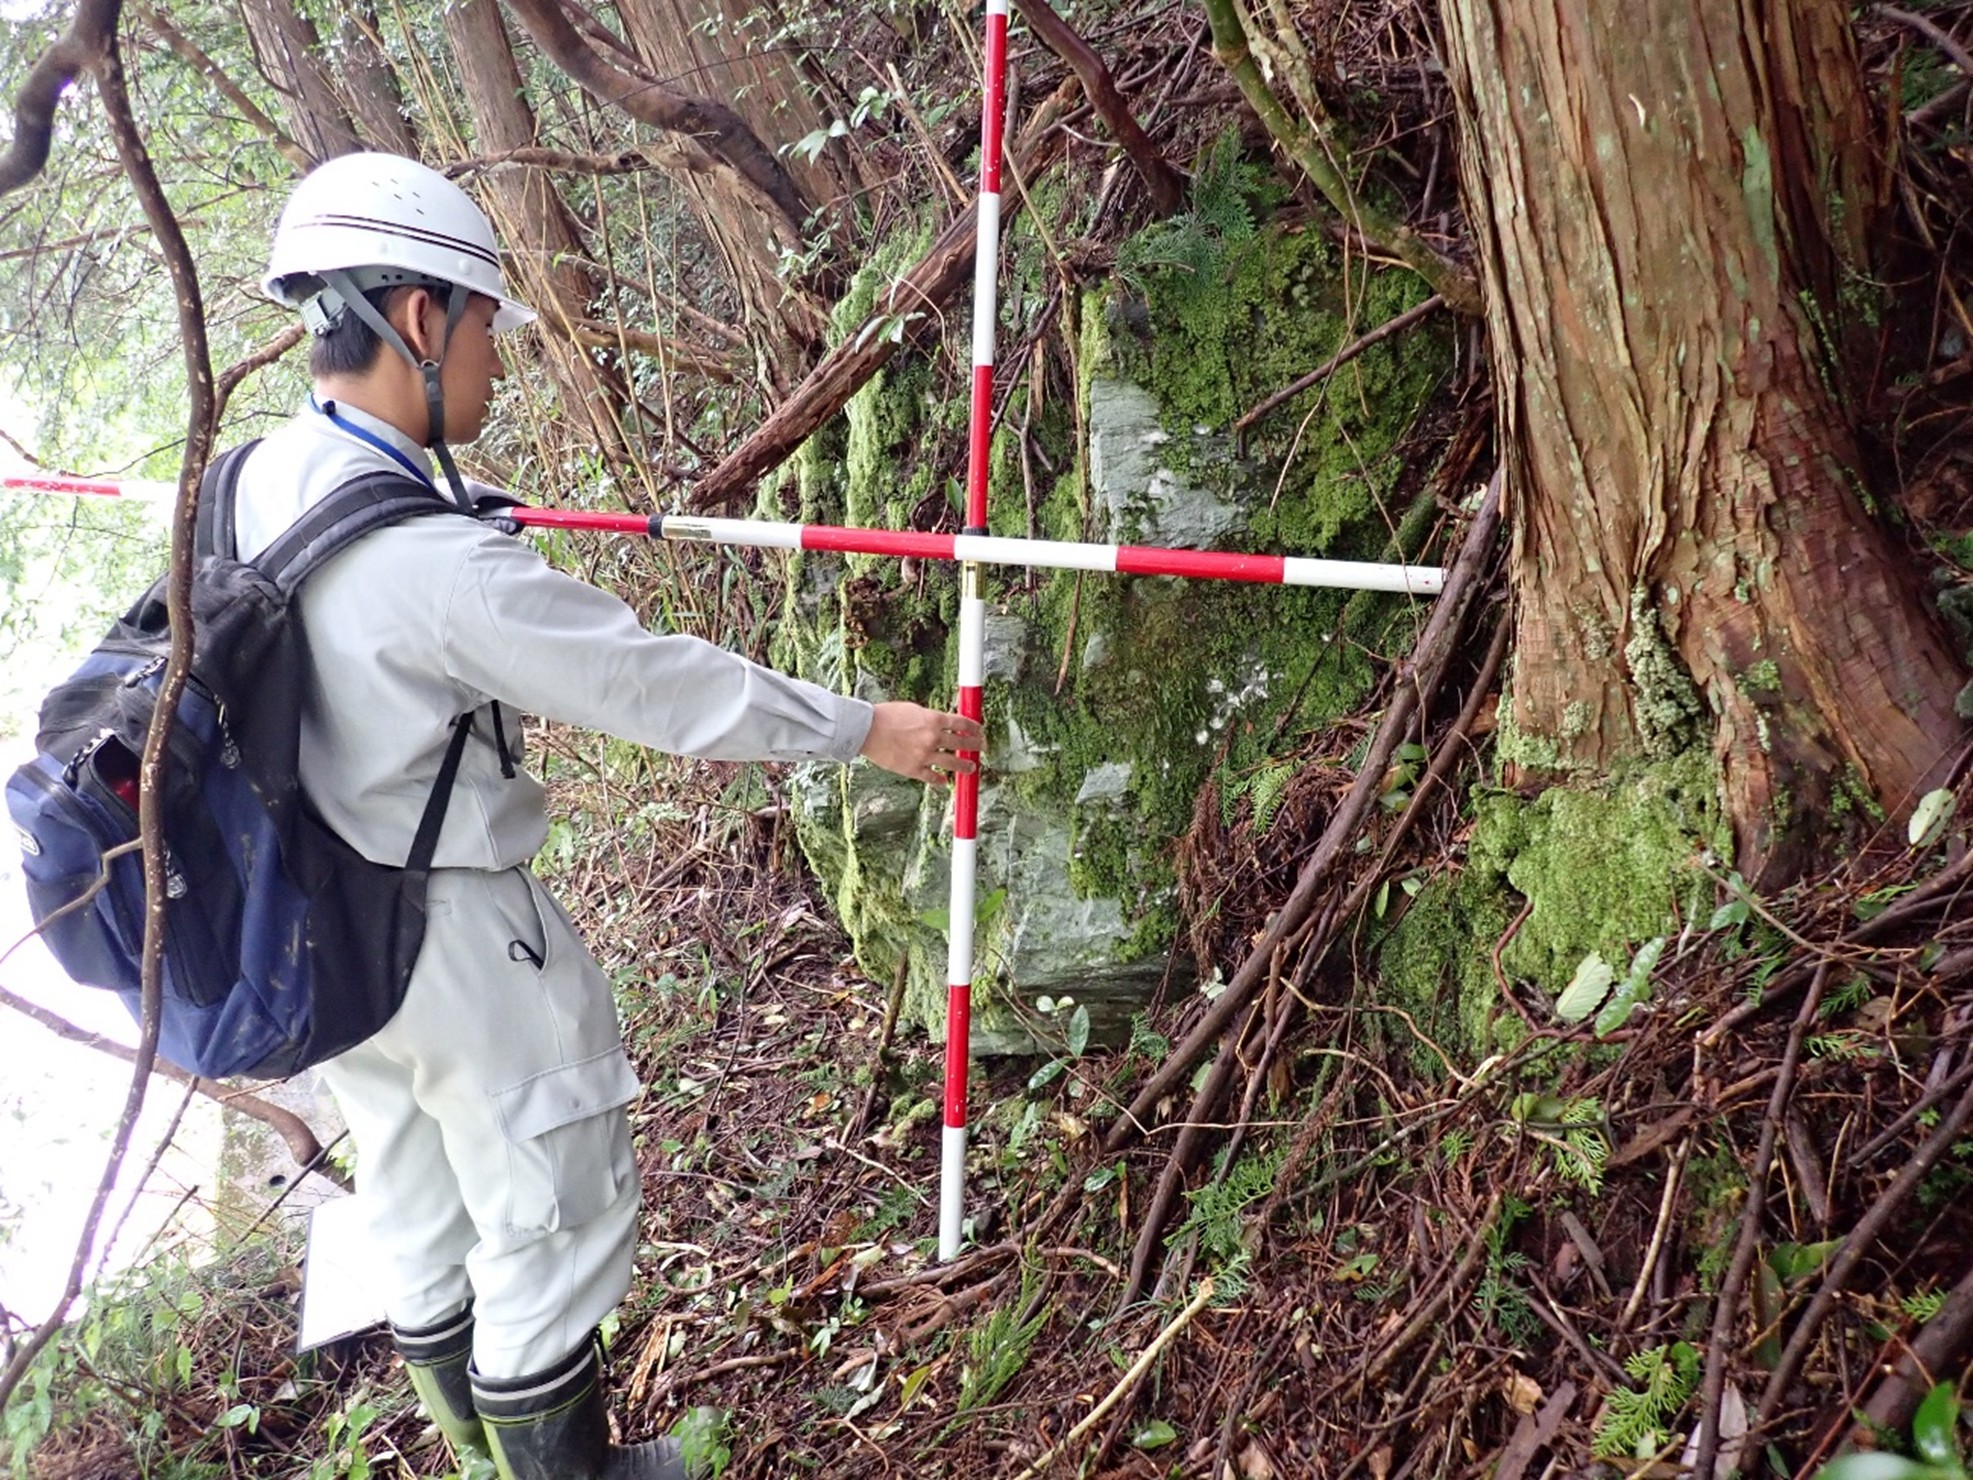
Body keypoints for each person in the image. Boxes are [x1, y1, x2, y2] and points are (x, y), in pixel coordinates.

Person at [245, 152, 982, 1480]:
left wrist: (463, 516)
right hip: (453, 936)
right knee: (551, 1217)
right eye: (483, 329)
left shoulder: (255, 479)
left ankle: (480, 1458)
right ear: (418, 318)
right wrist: (867, 729)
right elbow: (654, 684)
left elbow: (368, 596)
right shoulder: (433, 562)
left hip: (318, 930)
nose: (498, 364)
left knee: (416, 1198)